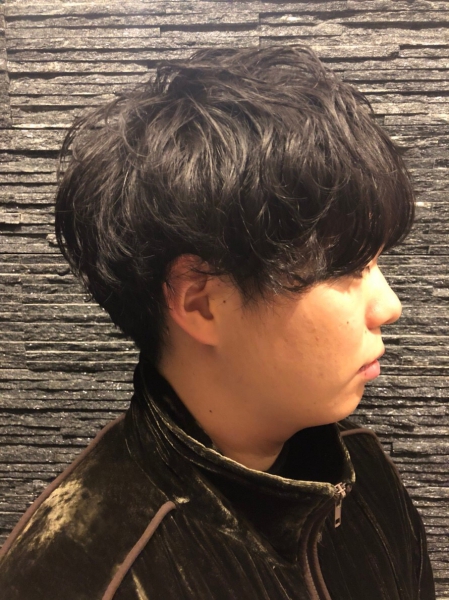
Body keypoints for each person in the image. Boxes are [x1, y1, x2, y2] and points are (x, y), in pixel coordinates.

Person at [0, 46, 435, 600]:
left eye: (376, 263)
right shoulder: (80, 575)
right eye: (347, 269)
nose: (390, 306)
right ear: (202, 302)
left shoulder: (365, 475)